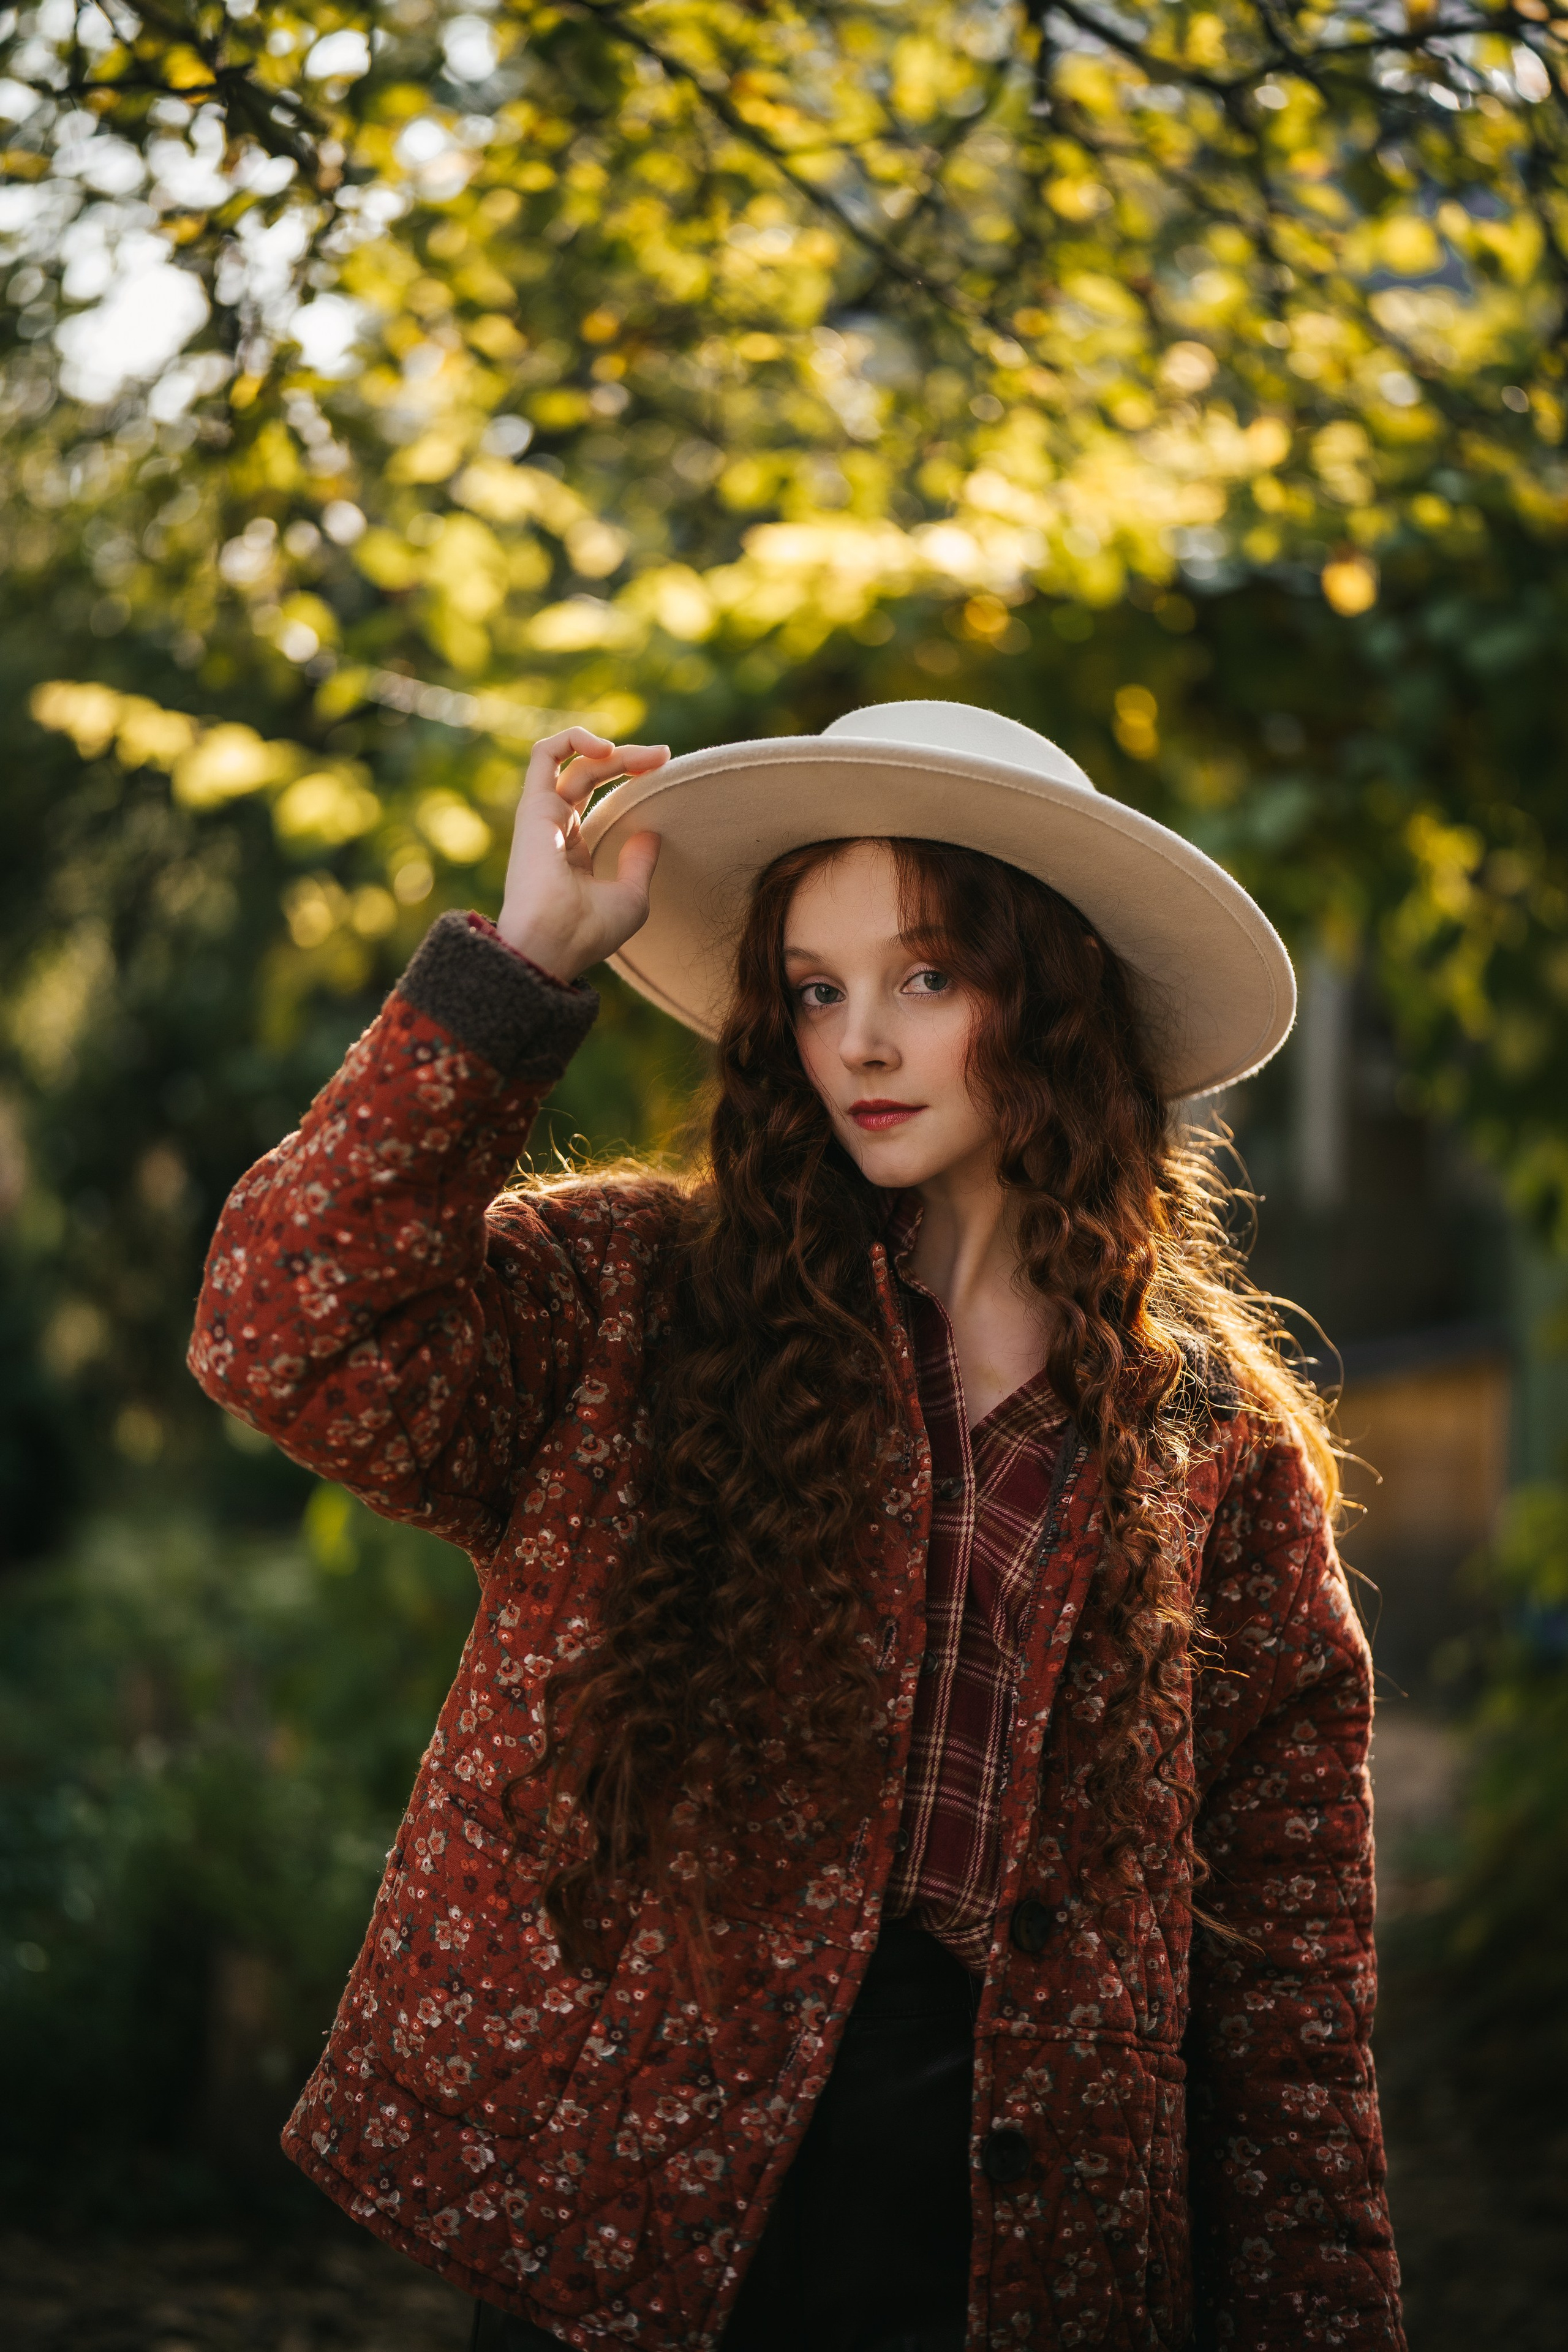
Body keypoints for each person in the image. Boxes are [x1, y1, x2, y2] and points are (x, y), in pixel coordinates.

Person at [189, 700, 1404, 2352]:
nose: (861, 1045)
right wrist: (523, 966)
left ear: (1050, 1001)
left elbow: (1291, 1987)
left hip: (1022, 2225)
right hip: (639, 2183)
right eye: (816, 991)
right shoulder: (641, 1306)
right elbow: (283, 1327)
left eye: (927, 976)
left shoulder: (1219, 1453)